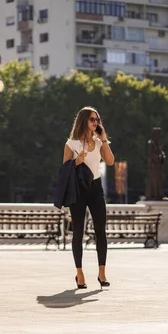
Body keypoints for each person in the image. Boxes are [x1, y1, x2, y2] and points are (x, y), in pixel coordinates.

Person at [63, 107, 114, 289]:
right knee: (78, 231)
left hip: (95, 189)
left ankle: (102, 273)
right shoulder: (71, 144)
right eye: (92, 119)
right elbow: (64, 170)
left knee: (101, 230)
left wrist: (104, 139)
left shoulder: (99, 143)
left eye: (97, 119)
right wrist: (76, 162)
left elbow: (110, 161)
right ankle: (79, 273)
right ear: (84, 120)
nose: (96, 122)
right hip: (78, 191)